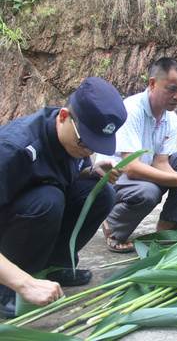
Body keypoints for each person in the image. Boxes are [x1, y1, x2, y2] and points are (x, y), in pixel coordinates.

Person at [0, 77, 127, 317]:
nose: (87, 150)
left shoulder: (73, 144)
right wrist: (23, 284)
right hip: (9, 230)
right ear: (63, 117)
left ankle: (53, 268)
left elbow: (64, 178)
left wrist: (92, 171)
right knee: (48, 200)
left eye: (94, 145)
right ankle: (6, 287)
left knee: (100, 192)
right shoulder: (13, 149)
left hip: (35, 212)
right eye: (84, 142)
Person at [97, 57, 177, 253]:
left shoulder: (170, 118)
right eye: (172, 89)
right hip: (116, 181)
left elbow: (161, 162)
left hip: (144, 171)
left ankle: (172, 221)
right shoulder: (130, 111)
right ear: (152, 83)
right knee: (149, 192)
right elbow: (131, 169)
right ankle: (114, 225)